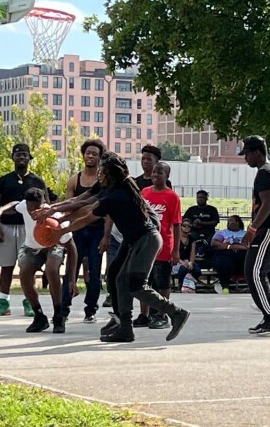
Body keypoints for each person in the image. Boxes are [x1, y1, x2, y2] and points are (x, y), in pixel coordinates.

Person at [56, 153, 190, 343]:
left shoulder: (115, 194)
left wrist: (62, 229)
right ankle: (125, 328)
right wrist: (53, 211)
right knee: (117, 279)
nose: (99, 173)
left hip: (146, 240)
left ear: (110, 173)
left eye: (102, 170)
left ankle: (176, 313)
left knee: (136, 285)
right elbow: (81, 200)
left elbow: (87, 216)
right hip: (134, 240)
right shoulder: (112, 186)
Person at [0, 188, 78, 333]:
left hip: (53, 245)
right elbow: (15, 203)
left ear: (44, 204)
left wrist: (72, 279)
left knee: (52, 270)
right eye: (30, 208)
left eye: (38, 208)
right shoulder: (24, 207)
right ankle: (39, 316)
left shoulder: (56, 218)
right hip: (31, 247)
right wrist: (0, 210)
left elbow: (71, 247)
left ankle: (58, 314)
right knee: (24, 273)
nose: (34, 212)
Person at [102, 144, 170, 308]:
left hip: (145, 235)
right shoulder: (133, 182)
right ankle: (122, 313)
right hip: (126, 235)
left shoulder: (164, 185)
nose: (145, 162)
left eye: (149, 159)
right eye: (143, 158)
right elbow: (109, 209)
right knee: (117, 275)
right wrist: (107, 234)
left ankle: (163, 312)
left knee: (141, 280)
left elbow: (161, 216)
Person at [0, 143, 47, 318]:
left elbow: (46, 205)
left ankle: (29, 302)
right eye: (18, 154)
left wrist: (42, 230)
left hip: (29, 229)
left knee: (28, 266)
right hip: (6, 228)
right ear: (12, 157)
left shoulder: (37, 181)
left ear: (30, 158)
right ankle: (3, 302)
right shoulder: (4, 180)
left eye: (25, 155)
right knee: (6, 266)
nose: (21, 157)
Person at [239, 135, 270, 336]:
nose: (245, 159)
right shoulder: (269, 171)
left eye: (247, 154)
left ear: (257, 153)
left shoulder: (264, 173)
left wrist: (252, 229)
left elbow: (267, 204)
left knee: (253, 270)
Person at [62, 139, 107, 323]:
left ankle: (91, 311)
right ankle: (63, 310)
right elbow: (69, 207)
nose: (90, 156)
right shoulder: (75, 179)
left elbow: (102, 208)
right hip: (77, 233)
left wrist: (85, 210)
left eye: (94, 154)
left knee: (95, 274)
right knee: (70, 271)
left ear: (100, 157)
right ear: (83, 155)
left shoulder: (103, 181)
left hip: (97, 233)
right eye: (88, 153)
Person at [138, 161, 181, 329]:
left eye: (160, 173)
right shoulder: (145, 193)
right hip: (146, 245)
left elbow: (177, 224)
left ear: (167, 176)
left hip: (164, 246)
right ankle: (144, 314)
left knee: (162, 282)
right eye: (154, 172)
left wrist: (176, 251)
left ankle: (162, 314)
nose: (156, 175)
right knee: (144, 282)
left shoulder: (172, 197)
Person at [210, 215, 248, 293]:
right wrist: (230, 246)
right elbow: (214, 243)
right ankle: (225, 287)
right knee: (223, 261)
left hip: (242, 255)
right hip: (226, 253)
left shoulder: (246, 234)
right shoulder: (222, 233)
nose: (228, 223)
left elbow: (250, 246)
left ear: (237, 222)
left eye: (230, 221)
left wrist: (238, 247)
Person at [175, 218, 202, 291]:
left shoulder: (192, 238)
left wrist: (191, 262)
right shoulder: (175, 237)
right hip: (176, 261)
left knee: (196, 270)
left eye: (189, 226)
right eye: (184, 225)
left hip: (187, 260)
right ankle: (180, 285)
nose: (186, 228)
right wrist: (182, 262)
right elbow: (174, 252)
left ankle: (192, 285)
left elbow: (192, 253)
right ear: (180, 226)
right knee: (183, 270)